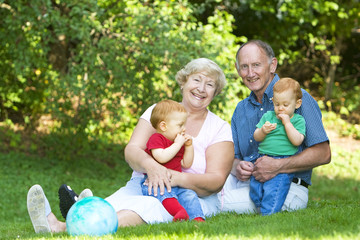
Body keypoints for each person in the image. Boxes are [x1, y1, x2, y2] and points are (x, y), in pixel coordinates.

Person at [27, 57, 234, 233]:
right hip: (145, 184)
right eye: (196, 80)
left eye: (210, 84)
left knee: (147, 208)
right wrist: (151, 166)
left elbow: (216, 180)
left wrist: (177, 178)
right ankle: (76, 214)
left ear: (215, 93)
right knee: (116, 203)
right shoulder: (158, 111)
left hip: (191, 196)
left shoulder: (219, 128)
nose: (201, 88)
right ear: (183, 82)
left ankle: (67, 225)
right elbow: (132, 150)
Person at [220, 39, 331, 215]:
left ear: (272, 65)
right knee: (208, 185)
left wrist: (278, 165)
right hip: (249, 183)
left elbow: (324, 153)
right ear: (237, 69)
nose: (250, 73)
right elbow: (233, 158)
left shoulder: (298, 99)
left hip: (287, 185)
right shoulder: (241, 109)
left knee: (218, 203)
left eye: (256, 65)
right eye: (244, 67)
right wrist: (238, 167)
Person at [141, 99, 205, 222]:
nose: (184, 129)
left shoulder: (176, 142)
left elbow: (186, 163)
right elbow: (161, 157)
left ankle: (197, 217)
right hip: (157, 183)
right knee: (165, 195)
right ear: (163, 126)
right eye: (180, 125)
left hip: (176, 183)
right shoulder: (156, 138)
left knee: (190, 195)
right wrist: (177, 144)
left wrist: (188, 146)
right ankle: (179, 213)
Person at [250, 77, 306, 215]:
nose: (280, 108)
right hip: (262, 156)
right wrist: (263, 130)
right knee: (255, 186)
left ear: (297, 104)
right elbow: (256, 136)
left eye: (285, 105)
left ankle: (269, 212)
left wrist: (287, 123)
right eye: (277, 104)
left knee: (274, 189)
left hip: (283, 161)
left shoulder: (298, 120)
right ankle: (259, 205)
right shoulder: (268, 116)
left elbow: (297, 140)